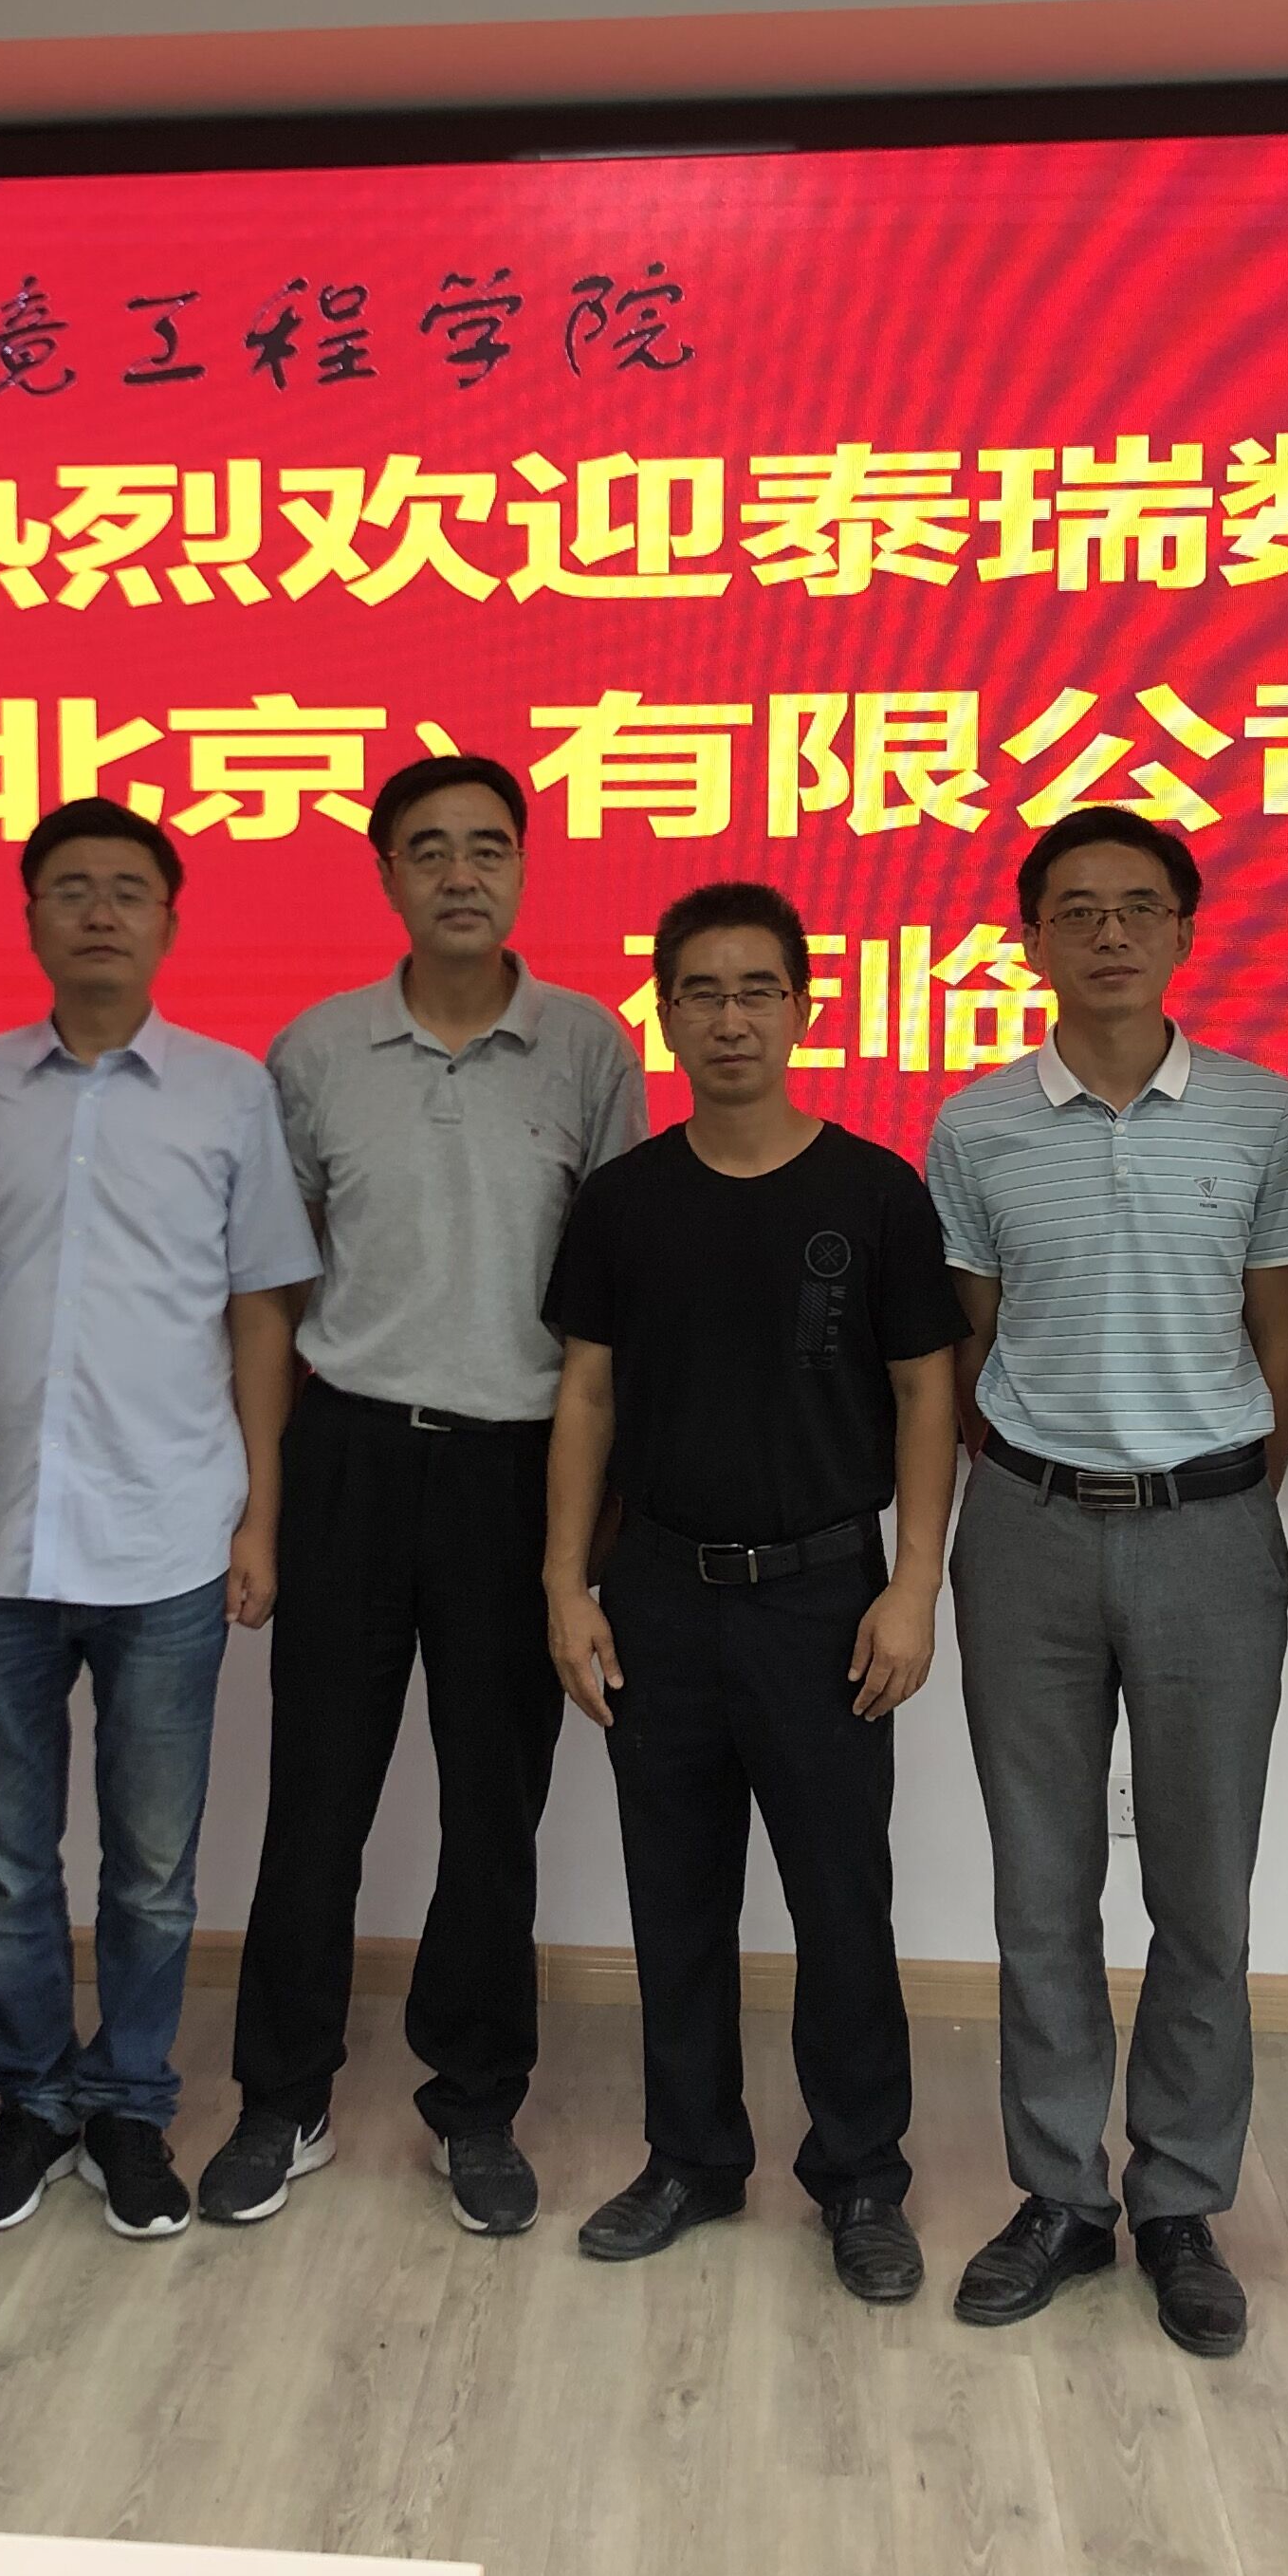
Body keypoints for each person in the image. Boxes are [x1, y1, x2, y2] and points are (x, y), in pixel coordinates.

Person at [200, 754, 646, 2238]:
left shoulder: (588, 1048)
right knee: (316, 1799)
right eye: (430, 849)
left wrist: (593, 1528)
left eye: (489, 847)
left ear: (525, 867)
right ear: (385, 873)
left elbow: (617, 1305)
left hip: (519, 1470)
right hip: (351, 1456)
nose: (462, 874)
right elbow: (272, 1292)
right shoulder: (317, 1051)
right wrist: (263, 1504)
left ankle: (477, 2104)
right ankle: (283, 2097)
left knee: (494, 1811)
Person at [925, 811, 1288, 2355]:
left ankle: (1178, 2200)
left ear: (1182, 933)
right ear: (1030, 936)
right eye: (1077, 910)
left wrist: (1204, 1492)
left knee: (1200, 1890)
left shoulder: (1260, 1114)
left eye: (1138, 908)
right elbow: (967, 1348)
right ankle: (1058, 2195)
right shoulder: (975, 1126)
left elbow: (1278, 1346)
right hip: (1023, 1527)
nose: (1108, 934)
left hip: (1207, 1531)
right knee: (1039, 1888)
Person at [543, 882, 966, 2304]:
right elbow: (586, 1393)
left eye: (757, 991)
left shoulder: (874, 1192)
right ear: (666, 1015)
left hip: (823, 1597)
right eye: (702, 993)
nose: (731, 1018)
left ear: (802, 1008)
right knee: (675, 1897)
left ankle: (862, 2177)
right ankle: (691, 2158)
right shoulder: (624, 1201)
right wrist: (565, 1583)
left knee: (844, 1902)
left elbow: (927, 1393)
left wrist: (914, 1585)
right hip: (657, 1592)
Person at [0, 799, 317, 2242]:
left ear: (168, 920)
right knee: (4, 1863)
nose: (99, 910)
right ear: (30, 915)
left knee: (151, 1867)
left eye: (128, 890)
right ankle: (33, 2099)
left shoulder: (226, 1092)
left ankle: (132, 2105)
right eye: (71, 887)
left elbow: (262, 1312)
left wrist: (260, 1516)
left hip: (168, 1535)